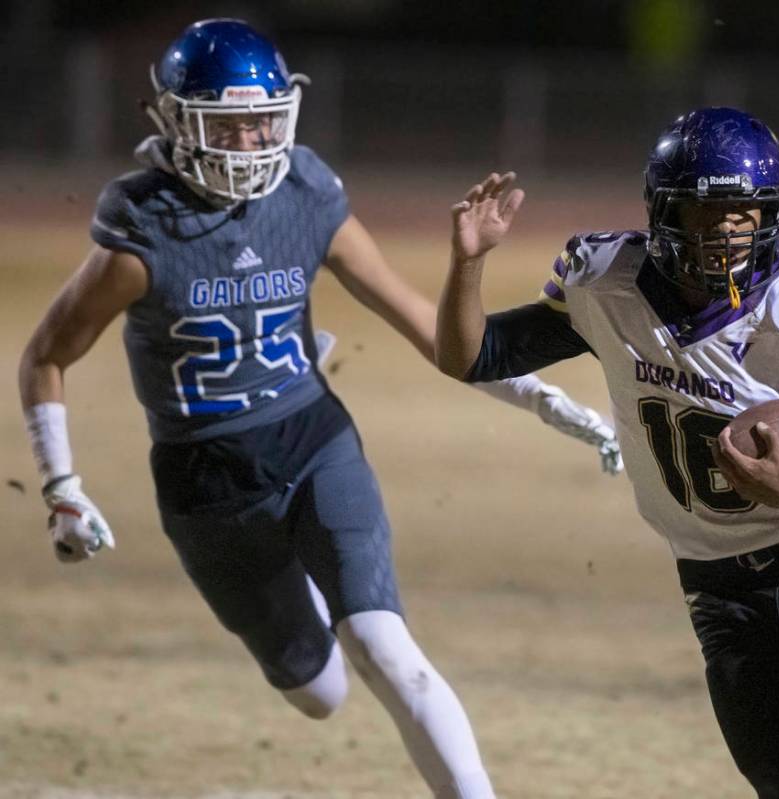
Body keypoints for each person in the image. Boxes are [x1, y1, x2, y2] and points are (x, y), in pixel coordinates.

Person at [17, 19, 622, 799]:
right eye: (224, 126)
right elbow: (46, 355)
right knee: (319, 693)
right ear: (174, 124)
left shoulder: (306, 194)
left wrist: (541, 397)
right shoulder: (146, 235)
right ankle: (295, 593)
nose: (247, 142)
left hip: (312, 440)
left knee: (383, 642)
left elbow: (428, 329)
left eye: (261, 120)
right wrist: (60, 484)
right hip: (206, 482)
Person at [435, 107, 779, 798]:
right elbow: (472, 356)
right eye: (705, 213)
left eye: (744, 213)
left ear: (775, 211)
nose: (727, 233)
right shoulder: (606, 285)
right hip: (716, 579)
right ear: (662, 211)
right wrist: (467, 264)